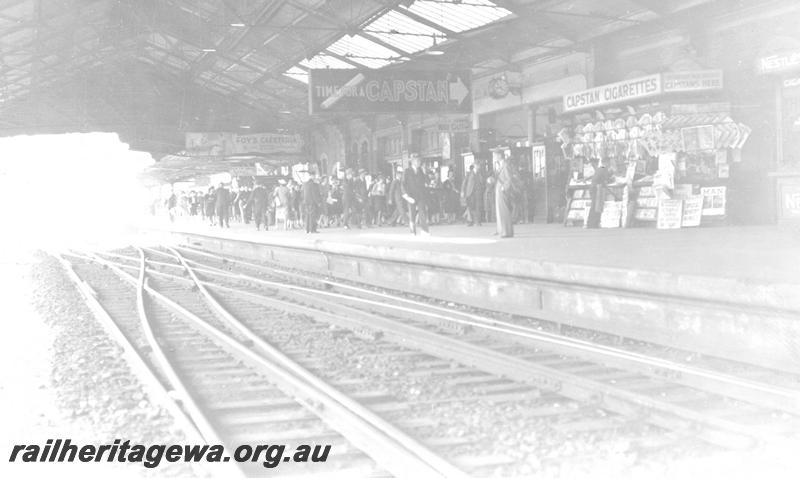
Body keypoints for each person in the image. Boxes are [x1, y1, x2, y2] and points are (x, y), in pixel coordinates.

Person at [401, 156, 429, 235]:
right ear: (413, 162)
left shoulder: (420, 171)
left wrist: (425, 172)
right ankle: (412, 231)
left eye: (419, 161)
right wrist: (406, 195)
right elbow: (403, 184)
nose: (419, 163)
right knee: (412, 214)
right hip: (411, 196)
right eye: (418, 161)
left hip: (420, 195)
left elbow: (426, 181)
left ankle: (424, 231)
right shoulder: (407, 171)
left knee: (422, 212)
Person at [495, 157, 517, 238]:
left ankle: (506, 232)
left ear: (499, 156)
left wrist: (504, 187)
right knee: (501, 211)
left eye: (495, 155)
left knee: (504, 211)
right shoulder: (501, 166)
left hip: (503, 191)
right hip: (500, 190)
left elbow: (509, 178)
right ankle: (502, 230)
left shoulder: (505, 166)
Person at [586, 157, 609, 229]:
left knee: (594, 205)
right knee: (596, 206)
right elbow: (605, 179)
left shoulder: (599, 168)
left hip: (593, 187)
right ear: (606, 162)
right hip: (597, 188)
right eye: (609, 162)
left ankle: (590, 223)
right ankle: (594, 223)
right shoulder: (604, 169)